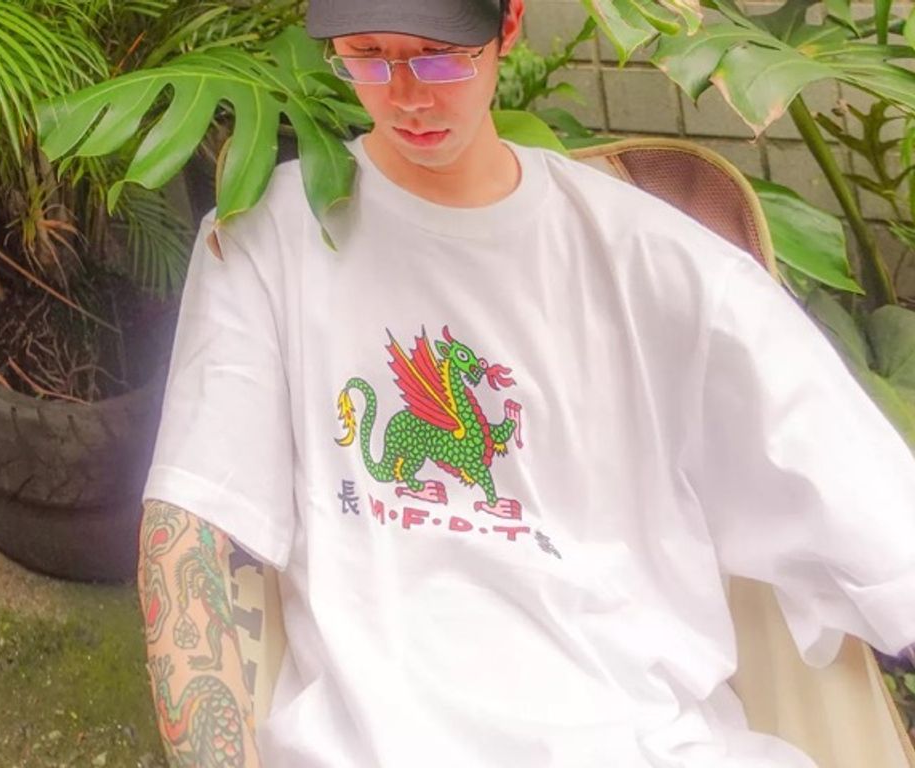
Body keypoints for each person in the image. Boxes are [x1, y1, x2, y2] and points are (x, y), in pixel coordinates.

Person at [137, 0, 915, 765]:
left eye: (438, 56)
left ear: (508, 24)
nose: (406, 95)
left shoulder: (661, 265)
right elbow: (187, 531)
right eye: (367, 55)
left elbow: (879, 519)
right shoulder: (268, 240)